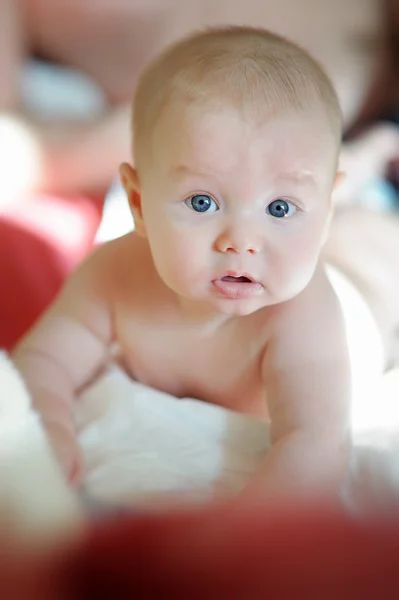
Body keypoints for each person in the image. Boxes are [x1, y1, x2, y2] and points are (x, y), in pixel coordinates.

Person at [12, 26, 384, 505]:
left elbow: (316, 442)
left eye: (278, 209)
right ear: (139, 204)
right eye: (203, 202)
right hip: (320, 227)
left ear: (323, 214)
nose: (241, 243)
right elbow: (43, 363)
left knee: (374, 246)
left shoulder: (303, 316)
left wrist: (237, 543)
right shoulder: (113, 276)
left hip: (364, 285)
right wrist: (48, 430)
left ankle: (367, 166)